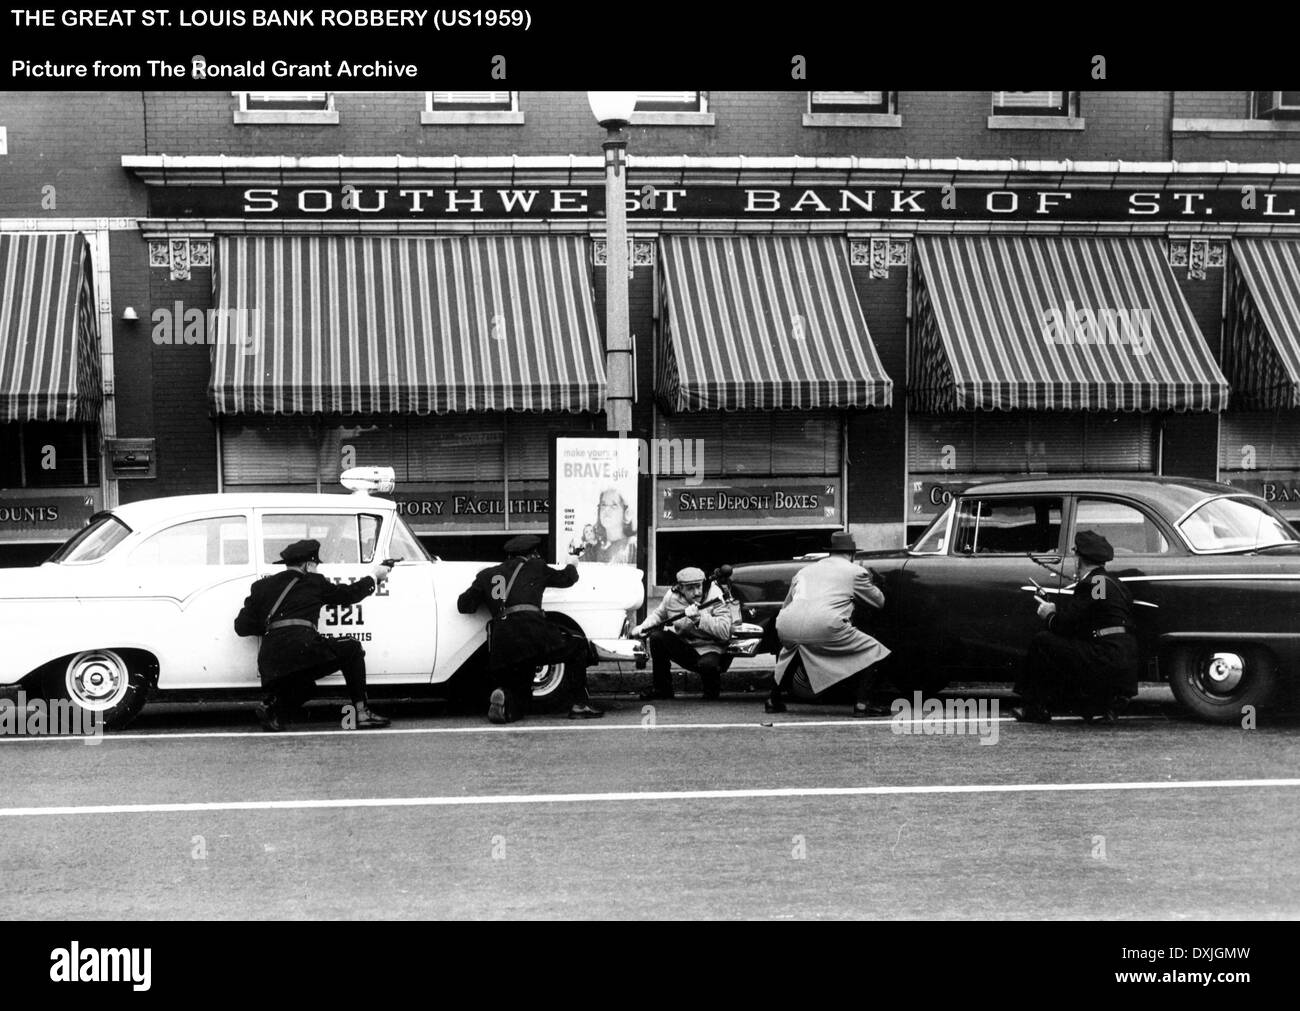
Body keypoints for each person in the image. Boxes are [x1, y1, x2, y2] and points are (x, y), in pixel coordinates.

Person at [234, 539, 393, 732]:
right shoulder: (314, 581)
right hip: (303, 649)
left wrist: (276, 626)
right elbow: (348, 595)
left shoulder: (261, 586)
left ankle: (273, 708)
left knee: (306, 688)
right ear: (308, 565)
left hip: (270, 661)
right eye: (316, 565)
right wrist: (374, 577)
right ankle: (361, 713)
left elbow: (241, 627)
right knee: (352, 648)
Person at [457, 533, 603, 723]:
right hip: (531, 634)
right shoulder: (536, 566)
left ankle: (505, 700)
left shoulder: (487, 574)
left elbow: (464, 605)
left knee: (521, 697)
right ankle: (580, 704)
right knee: (578, 645)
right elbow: (567, 578)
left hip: (502, 645)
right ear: (533, 554)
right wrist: (572, 562)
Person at [1012, 530, 1140, 725]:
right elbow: (1097, 614)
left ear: (1080, 559)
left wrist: (1049, 615)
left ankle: (1033, 708)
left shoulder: (1095, 584)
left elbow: (1066, 626)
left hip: (1106, 657)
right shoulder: (1114, 583)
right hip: (1124, 658)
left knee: (1043, 641)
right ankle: (1102, 702)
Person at [766, 531, 892, 718]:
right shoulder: (856, 572)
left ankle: (772, 700)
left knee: (796, 652)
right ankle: (863, 705)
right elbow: (878, 602)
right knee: (876, 652)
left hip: (787, 624)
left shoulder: (804, 571)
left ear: (830, 552)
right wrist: (876, 583)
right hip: (824, 625)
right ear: (852, 554)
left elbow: (787, 604)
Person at [632, 566, 733, 700]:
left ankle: (711, 691)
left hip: (710, 647)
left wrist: (699, 618)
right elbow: (659, 615)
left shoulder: (715, 594)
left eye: (698, 586)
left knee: (708, 666)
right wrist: (642, 627)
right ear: (680, 588)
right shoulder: (672, 597)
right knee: (657, 638)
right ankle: (662, 689)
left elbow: (725, 631)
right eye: (690, 588)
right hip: (686, 645)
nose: (696, 592)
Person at [579, 487, 637, 565]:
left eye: (614, 505)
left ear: (625, 513)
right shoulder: (594, 550)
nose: (606, 509)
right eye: (603, 505)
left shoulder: (632, 546)